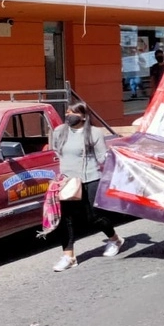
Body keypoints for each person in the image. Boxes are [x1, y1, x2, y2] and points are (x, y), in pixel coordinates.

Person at [51, 102, 125, 271]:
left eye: (73, 112)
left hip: (90, 178)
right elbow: (56, 151)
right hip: (67, 181)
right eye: (68, 112)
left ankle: (115, 239)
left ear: (83, 116)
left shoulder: (94, 132)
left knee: (93, 217)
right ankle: (68, 256)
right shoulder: (59, 131)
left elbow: (101, 158)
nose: (68, 115)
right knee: (66, 219)